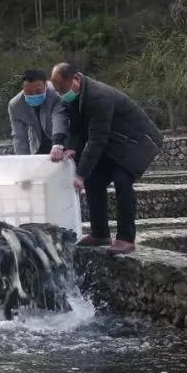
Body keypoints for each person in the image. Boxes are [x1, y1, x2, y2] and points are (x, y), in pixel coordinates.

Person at [48, 62, 163, 255]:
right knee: (95, 179)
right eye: (58, 90)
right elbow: (78, 130)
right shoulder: (74, 96)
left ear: (76, 79)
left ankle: (126, 238)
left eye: (63, 89)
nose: (61, 94)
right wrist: (72, 150)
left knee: (122, 181)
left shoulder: (99, 96)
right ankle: (100, 232)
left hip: (138, 142)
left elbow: (96, 140)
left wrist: (80, 174)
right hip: (116, 142)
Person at [7, 68, 70, 157]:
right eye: (28, 92)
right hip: (38, 144)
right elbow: (19, 136)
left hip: (61, 142)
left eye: (38, 91)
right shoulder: (15, 105)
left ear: (46, 85)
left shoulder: (57, 94)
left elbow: (59, 119)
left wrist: (57, 145)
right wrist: (22, 160)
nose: (33, 95)